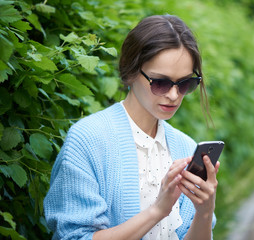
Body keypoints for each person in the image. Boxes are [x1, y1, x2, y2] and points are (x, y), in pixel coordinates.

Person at [44, 14, 220, 240]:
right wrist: (157, 210)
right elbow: (76, 237)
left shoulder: (185, 147)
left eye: (185, 83)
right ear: (131, 72)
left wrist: (204, 212)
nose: (174, 95)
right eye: (160, 82)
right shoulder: (88, 139)